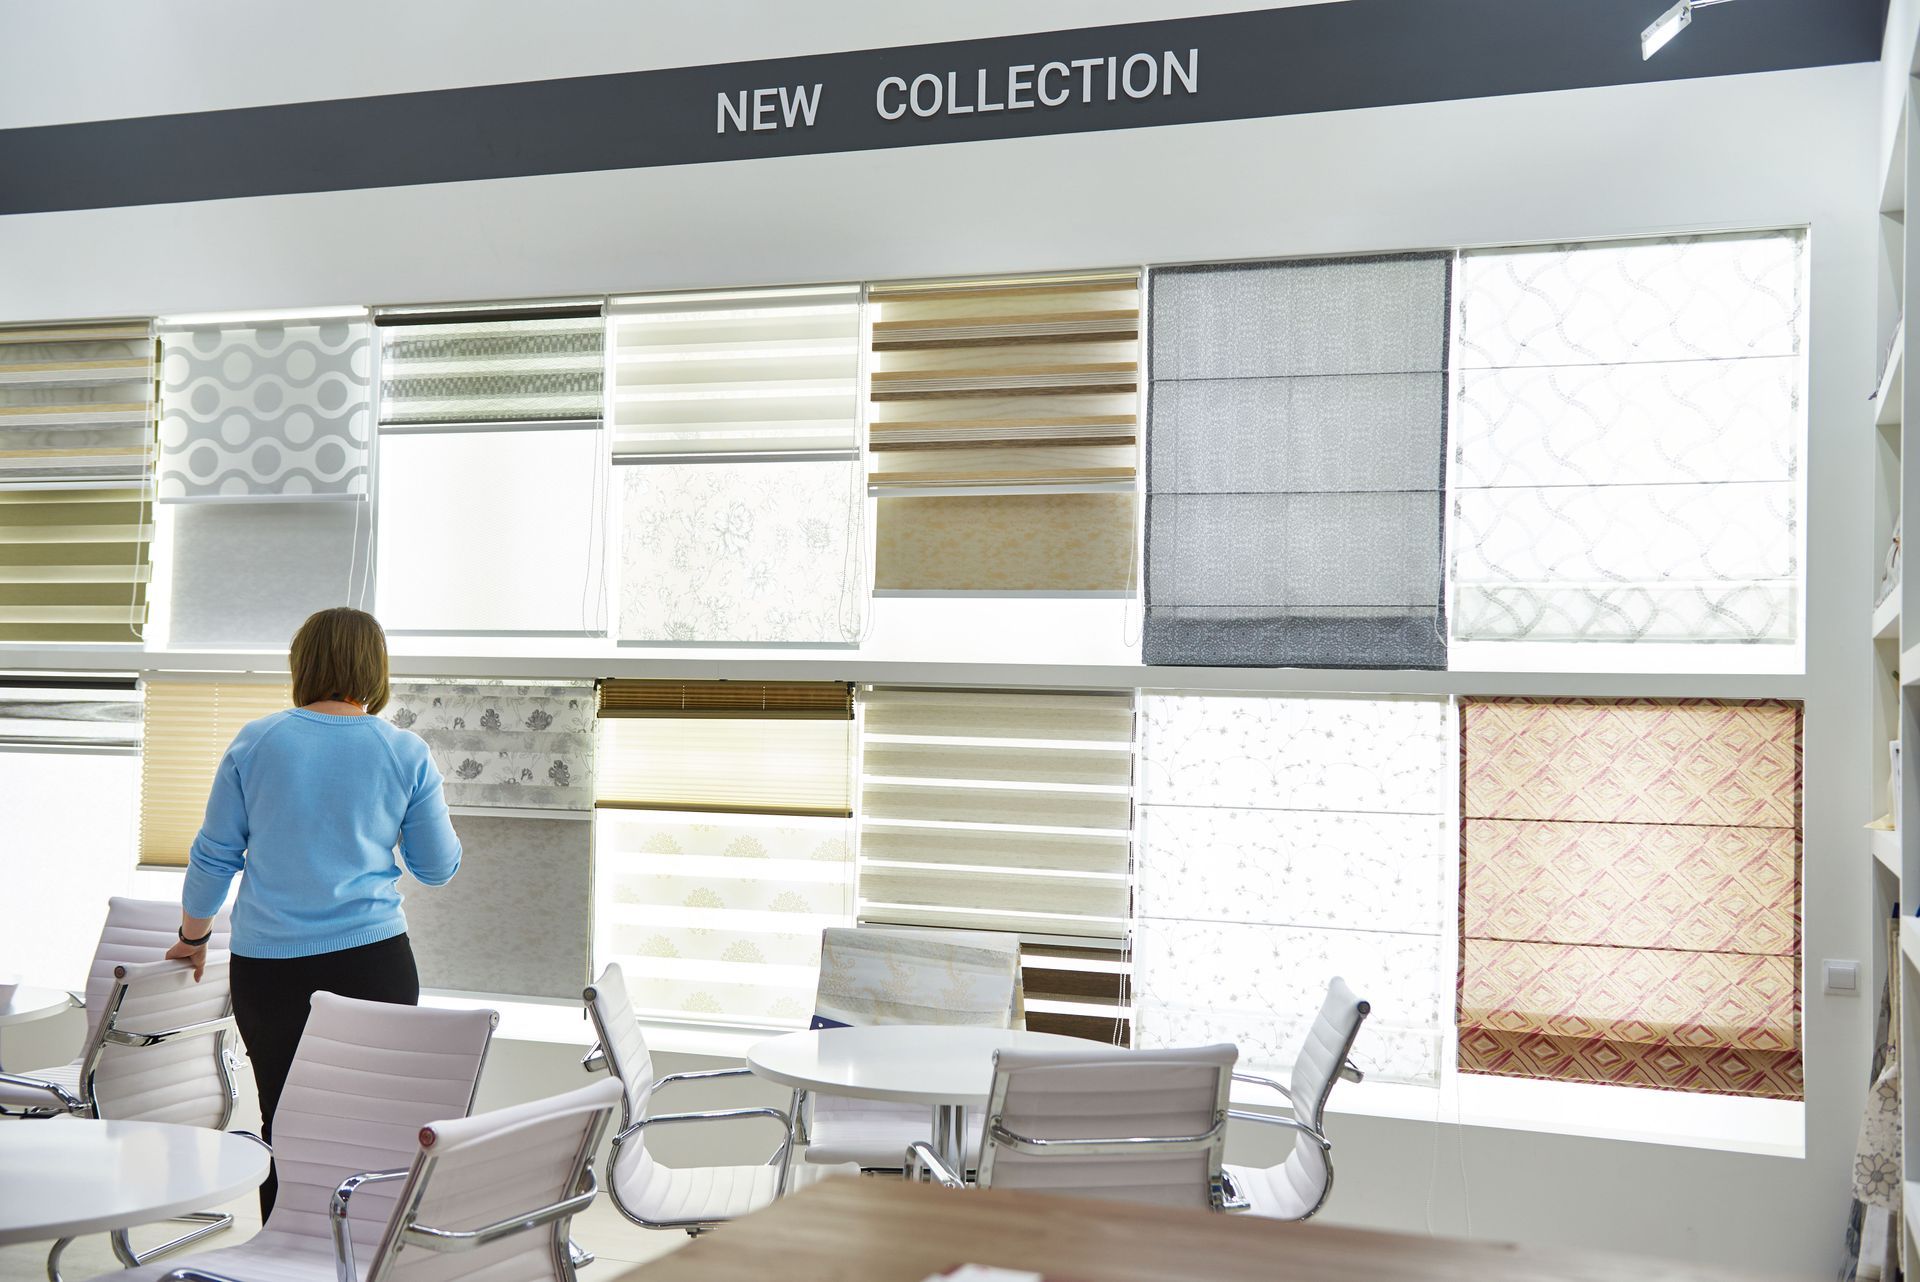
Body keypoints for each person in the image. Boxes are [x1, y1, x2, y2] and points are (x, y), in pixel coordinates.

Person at [164, 606, 460, 1218]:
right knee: (373, 1122)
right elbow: (437, 867)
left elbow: (215, 855)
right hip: (374, 963)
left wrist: (193, 937)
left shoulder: (256, 741)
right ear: (375, 670)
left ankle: (283, 1247)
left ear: (303, 665)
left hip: (269, 970)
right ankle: (365, 1249)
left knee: (285, 1118)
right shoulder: (404, 751)